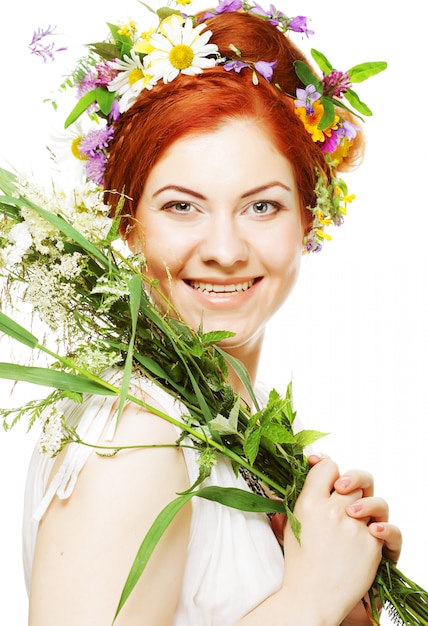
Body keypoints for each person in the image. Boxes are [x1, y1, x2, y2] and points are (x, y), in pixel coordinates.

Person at [21, 2, 402, 625]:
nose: (225, 251)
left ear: (308, 219)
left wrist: (348, 601)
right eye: (181, 206)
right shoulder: (136, 437)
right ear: (127, 220)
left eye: (262, 207)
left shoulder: (216, 417)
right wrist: (307, 599)